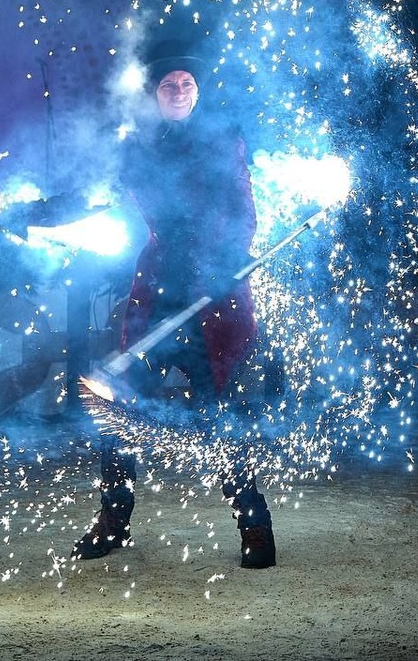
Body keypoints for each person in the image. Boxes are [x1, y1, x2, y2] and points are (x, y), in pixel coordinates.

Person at [71, 36, 277, 569]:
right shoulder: (137, 149)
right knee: (118, 409)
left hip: (213, 304)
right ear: (155, 93)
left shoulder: (223, 141)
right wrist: (38, 215)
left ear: (197, 91)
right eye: (169, 84)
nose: (179, 90)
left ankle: (255, 526)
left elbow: (243, 210)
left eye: (187, 83)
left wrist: (228, 263)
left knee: (221, 416)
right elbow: (96, 198)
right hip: (155, 303)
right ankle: (113, 521)